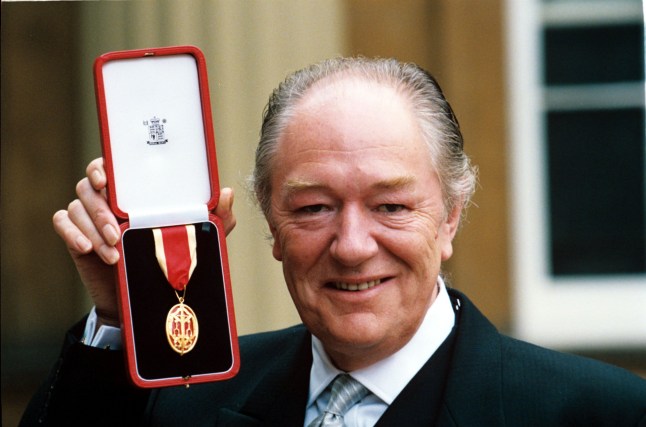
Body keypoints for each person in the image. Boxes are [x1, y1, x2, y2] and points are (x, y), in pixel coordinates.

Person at [22, 57, 646, 426]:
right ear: (269, 223)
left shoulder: (603, 413)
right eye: (314, 207)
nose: (351, 245)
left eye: (391, 206)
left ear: (451, 216)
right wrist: (119, 314)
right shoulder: (188, 404)